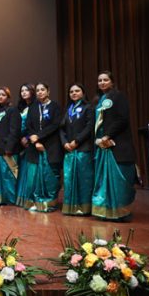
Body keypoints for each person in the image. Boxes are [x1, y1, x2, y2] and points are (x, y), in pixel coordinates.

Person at [91, 71, 136, 220]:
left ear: (112, 82)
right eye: (100, 80)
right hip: (102, 147)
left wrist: (107, 135)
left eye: (105, 80)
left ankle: (120, 213)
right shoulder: (98, 100)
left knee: (118, 181)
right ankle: (105, 212)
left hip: (117, 145)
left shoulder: (119, 96)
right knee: (104, 181)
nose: (102, 82)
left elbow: (122, 119)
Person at [16, 82, 63, 212]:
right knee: (33, 177)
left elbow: (55, 124)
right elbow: (29, 125)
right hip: (34, 146)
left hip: (51, 145)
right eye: (38, 90)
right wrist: (34, 139)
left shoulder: (55, 106)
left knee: (50, 176)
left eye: (43, 89)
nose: (40, 92)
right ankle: (33, 203)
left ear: (48, 91)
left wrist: (39, 136)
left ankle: (49, 203)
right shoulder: (33, 107)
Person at [59, 83, 95, 216]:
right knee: (69, 180)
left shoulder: (89, 107)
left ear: (83, 93)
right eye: (71, 91)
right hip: (69, 150)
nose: (74, 93)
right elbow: (61, 128)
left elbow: (89, 127)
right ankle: (70, 207)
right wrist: (64, 143)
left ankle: (84, 208)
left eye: (77, 91)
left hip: (83, 149)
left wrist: (76, 141)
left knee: (83, 179)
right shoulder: (68, 109)